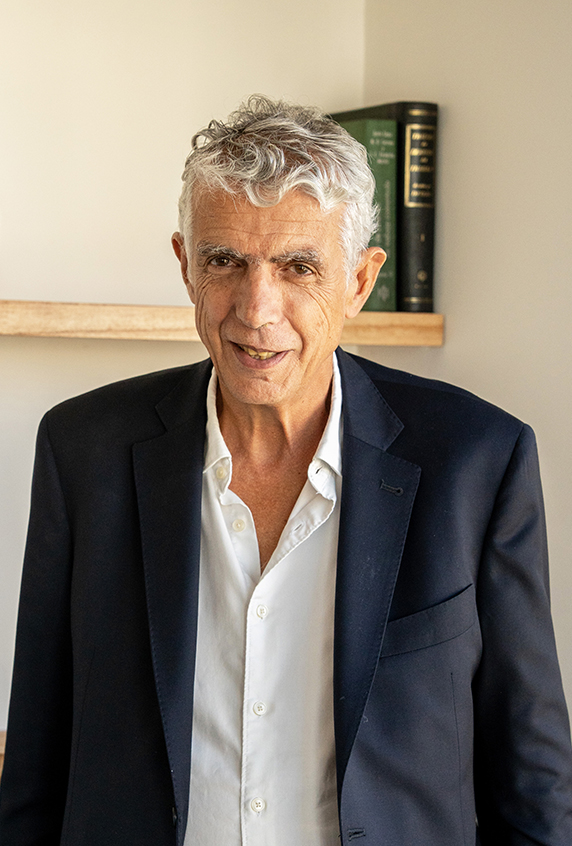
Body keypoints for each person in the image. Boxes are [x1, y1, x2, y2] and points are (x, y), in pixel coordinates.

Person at [1, 95, 571, 846]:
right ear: (185, 265)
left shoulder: (477, 460)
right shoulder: (82, 450)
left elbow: (533, 780)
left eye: (298, 266)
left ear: (359, 281)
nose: (257, 309)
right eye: (225, 261)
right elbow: (37, 759)